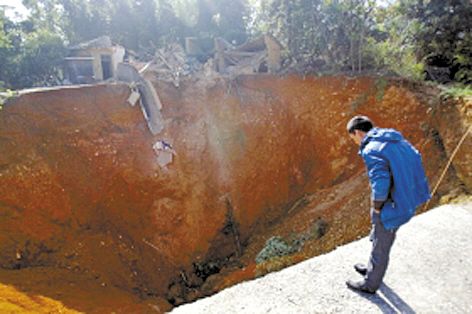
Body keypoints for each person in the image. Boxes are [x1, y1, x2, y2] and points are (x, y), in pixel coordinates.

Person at [345, 115, 431, 294]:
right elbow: (417, 157)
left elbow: (381, 182)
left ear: (358, 133)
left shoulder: (371, 150)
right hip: (406, 199)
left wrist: (377, 206)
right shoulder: (394, 140)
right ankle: (372, 269)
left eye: (352, 137)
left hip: (393, 204)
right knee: (380, 238)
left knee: (382, 242)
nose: (354, 142)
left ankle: (370, 284)